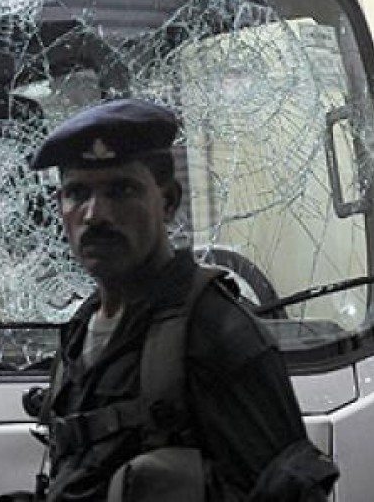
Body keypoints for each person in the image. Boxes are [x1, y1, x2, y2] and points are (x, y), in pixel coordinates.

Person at [30, 98, 338, 501]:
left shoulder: (216, 331)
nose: (95, 215)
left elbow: (289, 491)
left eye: (121, 190)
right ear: (60, 208)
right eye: (77, 193)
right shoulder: (82, 329)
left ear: (169, 201)